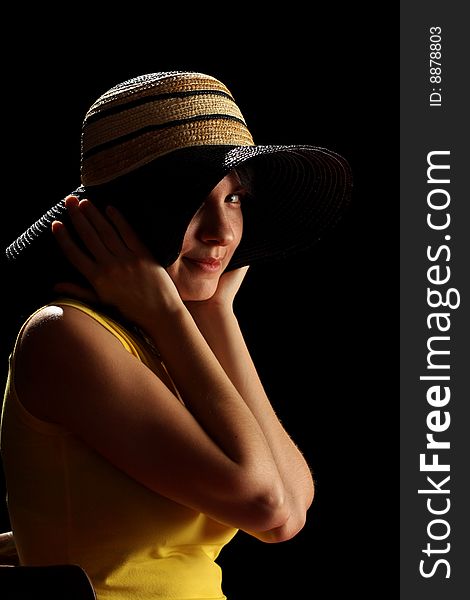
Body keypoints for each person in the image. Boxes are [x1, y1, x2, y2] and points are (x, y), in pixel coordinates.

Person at [0, 71, 352, 599]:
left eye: (234, 199)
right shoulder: (65, 335)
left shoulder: (157, 343)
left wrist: (216, 313)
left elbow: (291, 508)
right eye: (192, 200)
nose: (223, 231)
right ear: (123, 215)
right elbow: (266, 505)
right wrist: (171, 314)